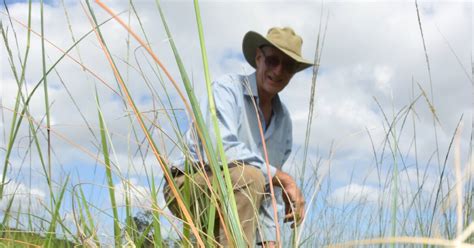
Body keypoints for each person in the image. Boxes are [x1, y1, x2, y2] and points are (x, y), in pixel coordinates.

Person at [164, 27, 312, 247]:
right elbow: (218, 150)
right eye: (272, 61)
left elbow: (269, 191)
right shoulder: (226, 90)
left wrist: (270, 240)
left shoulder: (284, 122)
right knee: (249, 176)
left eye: (288, 66)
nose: (279, 71)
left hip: (239, 193)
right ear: (259, 58)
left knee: (253, 182)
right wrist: (284, 178)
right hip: (188, 183)